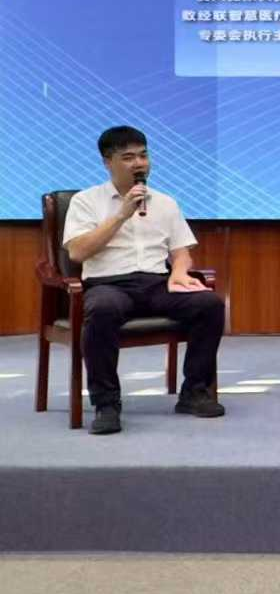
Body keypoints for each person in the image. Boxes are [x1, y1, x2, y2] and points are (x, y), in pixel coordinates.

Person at [62, 125, 227, 435]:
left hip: (156, 283)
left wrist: (179, 272)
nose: (139, 164)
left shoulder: (165, 202)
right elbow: (78, 252)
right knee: (102, 310)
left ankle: (194, 392)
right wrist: (121, 214)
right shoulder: (86, 201)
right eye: (128, 157)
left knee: (209, 304)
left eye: (143, 155)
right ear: (107, 162)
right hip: (108, 284)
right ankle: (107, 404)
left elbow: (181, 252)